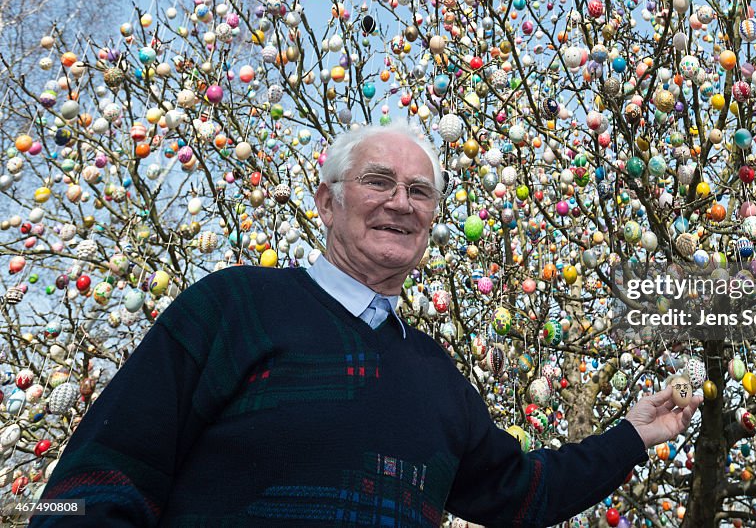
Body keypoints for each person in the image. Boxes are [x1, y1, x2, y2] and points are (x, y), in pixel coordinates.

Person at [33, 122, 701, 527]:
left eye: (420, 192)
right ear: (327, 202)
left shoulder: (436, 376)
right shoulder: (232, 308)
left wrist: (634, 436)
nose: (401, 204)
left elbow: (523, 493)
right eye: (380, 182)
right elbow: (94, 484)